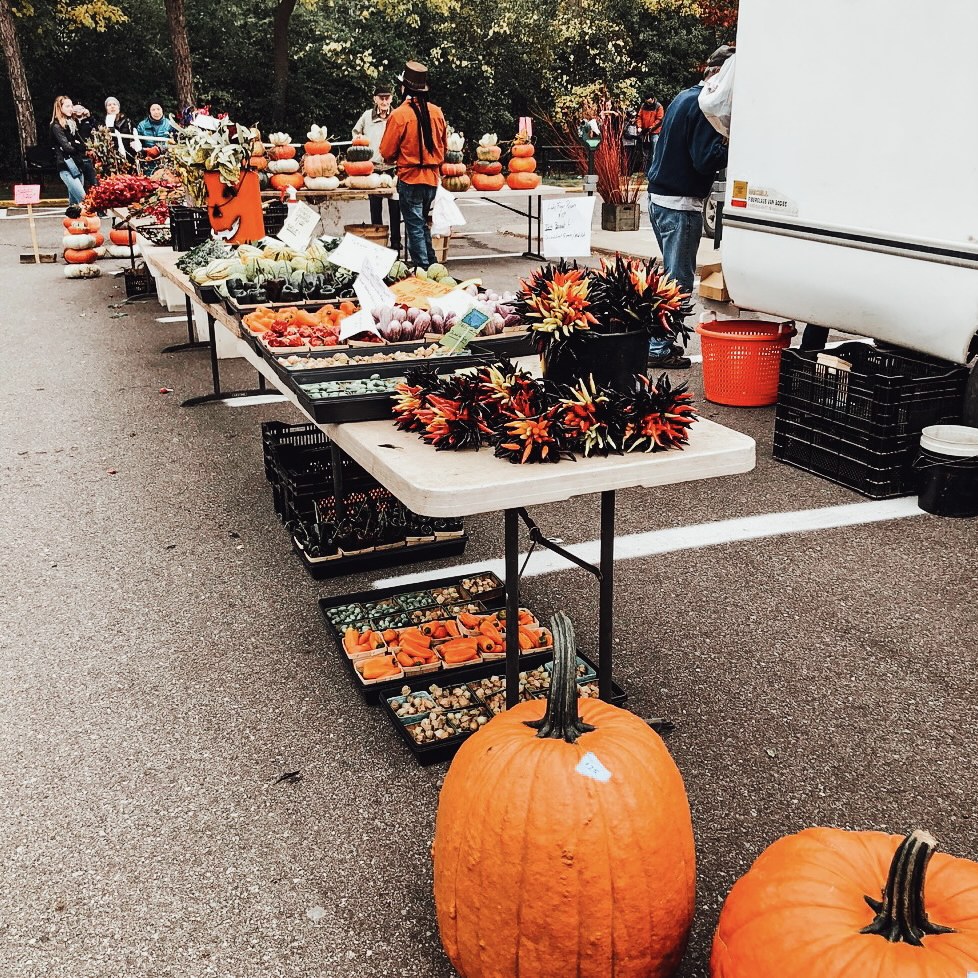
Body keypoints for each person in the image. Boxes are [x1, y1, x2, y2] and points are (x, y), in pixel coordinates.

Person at [646, 46, 734, 368]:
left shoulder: (684, 96)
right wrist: (729, 146)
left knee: (669, 279)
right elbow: (703, 160)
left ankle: (655, 341)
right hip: (680, 205)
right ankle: (658, 347)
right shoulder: (704, 107)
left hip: (660, 199)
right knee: (678, 282)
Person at [378, 61, 447, 268]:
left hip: (410, 179)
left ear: (404, 88)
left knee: (415, 227)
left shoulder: (399, 115)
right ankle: (433, 265)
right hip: (431, 180)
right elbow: (443, 147)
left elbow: (386, 152)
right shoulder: (437, 113)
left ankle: (424, 269)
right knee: (423, 224)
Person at [353, 83, 401, 253]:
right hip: (372, 168)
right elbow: (356, 132)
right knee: (375, 206)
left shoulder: (396, 115)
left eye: (387, 98)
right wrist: (360, 143)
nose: (384, 101)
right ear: (375, 99)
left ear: (391, 99)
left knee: (395, 206)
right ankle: (379, 240)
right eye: (381, 98)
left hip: (392, 167)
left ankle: (396, 241)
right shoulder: (367, 116)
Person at [50, 96, 89, 207]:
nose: (71, 108)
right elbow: (67, 147)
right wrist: (75, 145)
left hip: (78, 164)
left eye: (71, 106)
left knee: (74, 205)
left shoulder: (72, 123)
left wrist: (76, 144)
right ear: (59, 108)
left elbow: (84, 144)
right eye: (67, 106)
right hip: (66, 165)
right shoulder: (56, 126)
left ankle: (74, 223)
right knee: (84, 199)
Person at [135, 103, 175, 174]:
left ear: (162, 110)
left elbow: (175, 143)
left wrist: (159, 149)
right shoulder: (142, 126)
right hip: (147, 162)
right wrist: (145, 151)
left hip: (166, 162)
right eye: (153, 110)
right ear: (149, 112)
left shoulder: (170, 124)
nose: (156, 112)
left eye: (158, 109)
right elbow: (137, 144)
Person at [104, 96, 139, 162]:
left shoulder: (127, 121)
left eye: (114, 104)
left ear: (118, 107)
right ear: (106, 109)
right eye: (109, 105)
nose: (112, 106)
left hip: (127, 153)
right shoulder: (103, 123)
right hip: (110, 155)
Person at [636, 94, 664, 174]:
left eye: (649, 100)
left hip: (654, 132)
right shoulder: (643, 106)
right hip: (644, 133)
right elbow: (639, 117)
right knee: (646, 153)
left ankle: (654, 171)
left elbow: (659, 119)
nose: (647, 102)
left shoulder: (659, 106)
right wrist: (639, 126)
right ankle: (647, 171)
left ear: (652, 99)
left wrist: (650, 128)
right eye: (646, 101)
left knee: (654, 153)